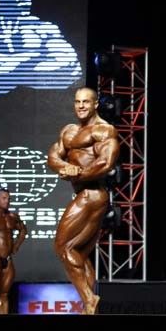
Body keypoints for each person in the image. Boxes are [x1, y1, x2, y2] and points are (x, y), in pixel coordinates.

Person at [47, 87, 119, 314]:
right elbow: (53, 156)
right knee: (78, 252)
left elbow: (106, 163)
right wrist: (65, 167)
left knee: (62, 246)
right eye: (78, 102)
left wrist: (78, 174)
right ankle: (91, 309)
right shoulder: (68, 131)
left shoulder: (103, 130)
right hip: (85, 194)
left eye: (86, 102)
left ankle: (89, 299)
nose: (81, 106)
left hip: (93, 194)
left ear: (95, 104)